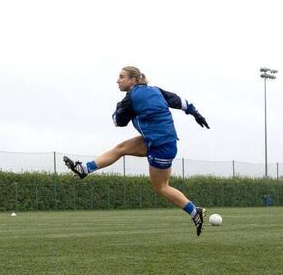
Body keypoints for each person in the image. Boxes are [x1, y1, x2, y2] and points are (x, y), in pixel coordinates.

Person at [64, 66, 210, 236]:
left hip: (160, 147)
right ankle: (84, 169)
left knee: (161, 187)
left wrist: (120, 108)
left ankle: (195, 211)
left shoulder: (131, 98)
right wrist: (196, 113)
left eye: (122, 77)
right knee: (121, 149)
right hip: (159, 140)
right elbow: (180, 102)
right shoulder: (155, 90)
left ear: (133, 80)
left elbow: (118, 122)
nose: (118, 81)